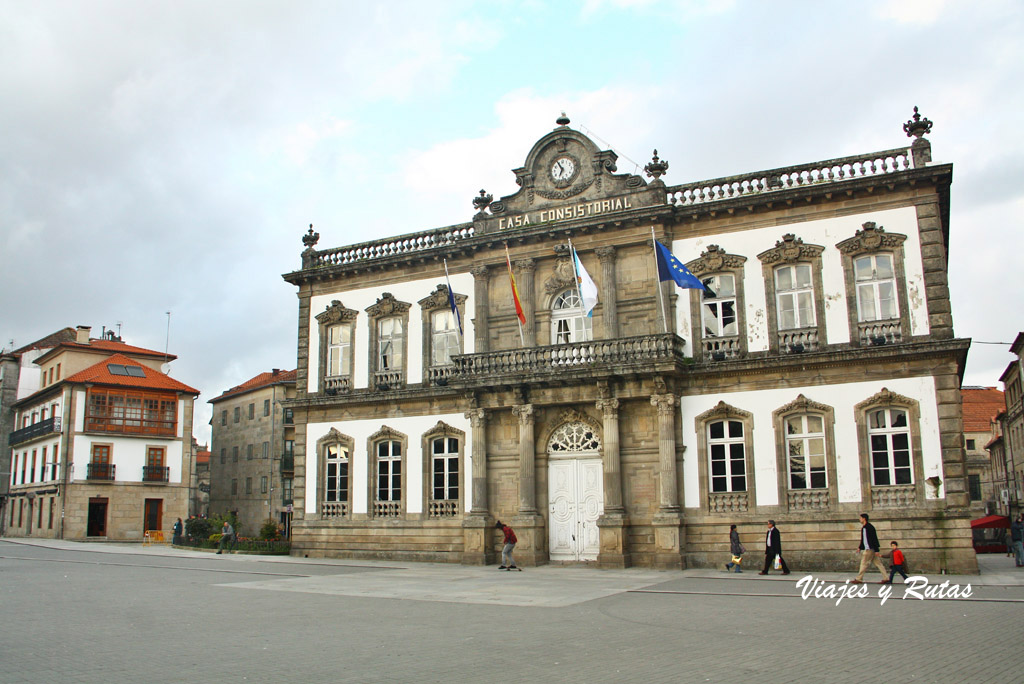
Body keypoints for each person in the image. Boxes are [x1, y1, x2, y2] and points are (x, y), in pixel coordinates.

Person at [851, 513, 887, 584]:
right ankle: (886, 578)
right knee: (878, 563)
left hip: (869, 549)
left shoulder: (869, 527)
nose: (860, 519)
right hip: (870, 548)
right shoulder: (864, 528)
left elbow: (874, 539)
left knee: (863, 563)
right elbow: (863, 539)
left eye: (860, 518)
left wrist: (876, 550)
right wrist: (860, 547)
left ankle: (859, 579)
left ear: (864, 518)